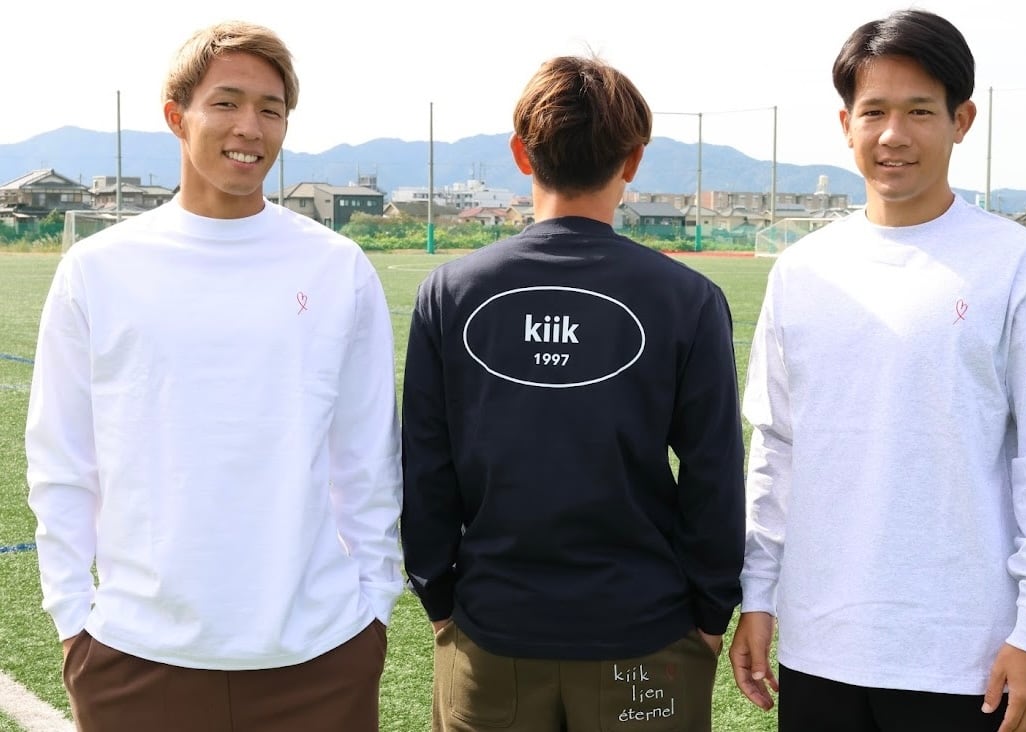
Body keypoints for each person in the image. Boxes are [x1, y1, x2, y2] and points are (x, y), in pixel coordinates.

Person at [25, 20, 403, 732]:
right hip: (136, 657)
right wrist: (74, 621)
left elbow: (367, 458)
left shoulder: (336, 267)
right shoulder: (99, 269)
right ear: (177, 116)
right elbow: (62, 459)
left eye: (271, 109)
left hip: (320, 658)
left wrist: (373, 607)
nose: (249, 127)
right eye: (226, 103)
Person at [730, 9, 1026, 732]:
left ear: (962, 120)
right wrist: (760, 594)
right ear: (846, 125)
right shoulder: (802, 271)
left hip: (964, 655)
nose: (893, 134)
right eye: (874, 112)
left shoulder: (1017, 266)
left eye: (920, 111)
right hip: (820, 645)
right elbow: (776, 448)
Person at [400, 55, 745, 731]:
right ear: (634, 160)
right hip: (646, 638)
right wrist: (710, 612)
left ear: (520, 154)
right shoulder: (689, 299)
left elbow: (425, 467)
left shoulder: (450, 293)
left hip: (490, 635)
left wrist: (438, 597)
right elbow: (714, 474)